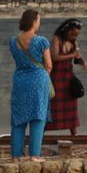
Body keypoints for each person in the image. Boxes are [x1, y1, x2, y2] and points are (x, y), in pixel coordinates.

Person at [9, 10, 52, 162]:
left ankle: (16, 155)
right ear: (34, 22)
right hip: (38, 80)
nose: (39, 23)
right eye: (38, 20)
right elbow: (48, 65)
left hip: (20, 80)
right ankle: (34, 154)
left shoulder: (13, 41)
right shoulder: (42, 41)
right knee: (38, 117)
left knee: (19, 117)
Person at [46, 19, 85, 136]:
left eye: (76, 35)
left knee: (71, 104)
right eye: (72, 33)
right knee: (52, 104)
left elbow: (76, 57)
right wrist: (73, 55)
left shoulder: (74, 42)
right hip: (56, 77)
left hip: (68, 77)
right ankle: (42, 132)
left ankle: (74, 133)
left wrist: (81, 60)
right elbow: (54, 57)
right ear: (66, 30)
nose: (74, 36)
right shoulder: (56, 39)